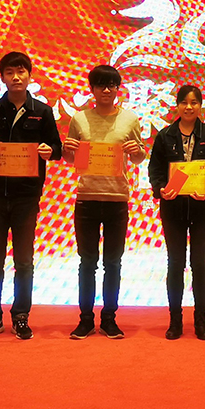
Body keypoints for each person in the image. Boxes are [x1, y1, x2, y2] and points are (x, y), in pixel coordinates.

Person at [0, 51, 62, 340]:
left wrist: (49, 151)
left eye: (21, 71)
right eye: (10, 72)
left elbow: (57, 149)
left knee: (24, 261)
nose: (16, 77)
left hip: (26, 197)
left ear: (30, 76)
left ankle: (21, 316)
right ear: (2, 78)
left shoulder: (42, 112)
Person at [63, 65, 146, 340]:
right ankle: (86, 319)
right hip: (86, 198)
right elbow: (70, 158)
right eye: (100, 85)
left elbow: (138, 158)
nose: (106, 90)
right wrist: (66, 150)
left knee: (113, 262)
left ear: (118, 88)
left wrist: (137, 151)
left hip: (117, 198)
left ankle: (109, 318)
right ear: (92, 89)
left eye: (111, 85)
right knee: (87, 262)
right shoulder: (79, 118)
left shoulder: (130, 119)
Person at [148, 85, 205, 340]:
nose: (189, 107)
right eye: (184, 102)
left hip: (203, 208)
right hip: (172, 207)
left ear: (201, 106)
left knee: (199, 263)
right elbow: (155, 169)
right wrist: (160, 189)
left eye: (194, 102)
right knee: (175, 263)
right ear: (177, 105)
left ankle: (201, 321)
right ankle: (175, 321)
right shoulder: (165, 135)